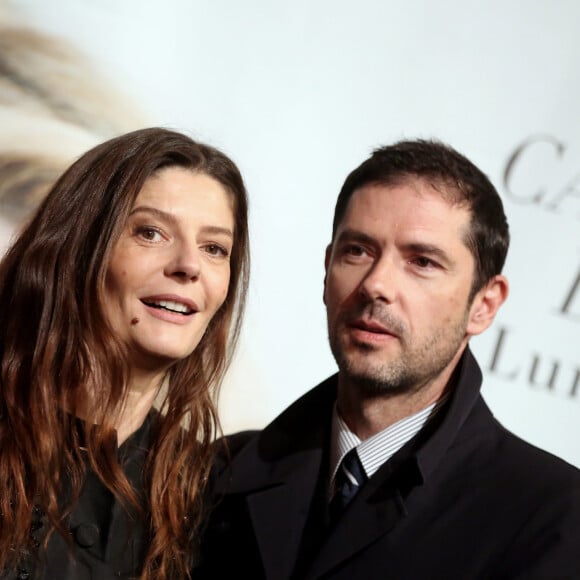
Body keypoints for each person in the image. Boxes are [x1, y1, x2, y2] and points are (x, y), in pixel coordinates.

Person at [195, 139, 580, 579]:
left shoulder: (552, 516)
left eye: (422, 262)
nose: (376, 284)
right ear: (326, 270)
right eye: (357, 251)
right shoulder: (220, 472)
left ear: (484, 305)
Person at [0, 127, 249, 579]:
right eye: (151, 232)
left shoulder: (212, 498)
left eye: (214, 248)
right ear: (76, 248)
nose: (189, 266)